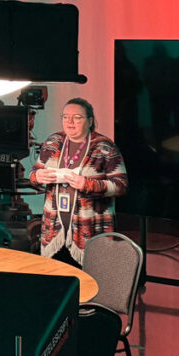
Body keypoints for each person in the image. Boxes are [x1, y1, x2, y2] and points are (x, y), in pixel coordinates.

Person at [29, 98, 128, 266]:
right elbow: (34, 173)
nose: (70, 121)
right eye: (65, 117)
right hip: (54, 230)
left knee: (89, 282)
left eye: (77, 117)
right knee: (58, 281)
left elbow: (120, 185)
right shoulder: (53, 142)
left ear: (90, 121)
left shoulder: (104, 147)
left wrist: (88, 184)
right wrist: (37, 177)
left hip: (91, 229)